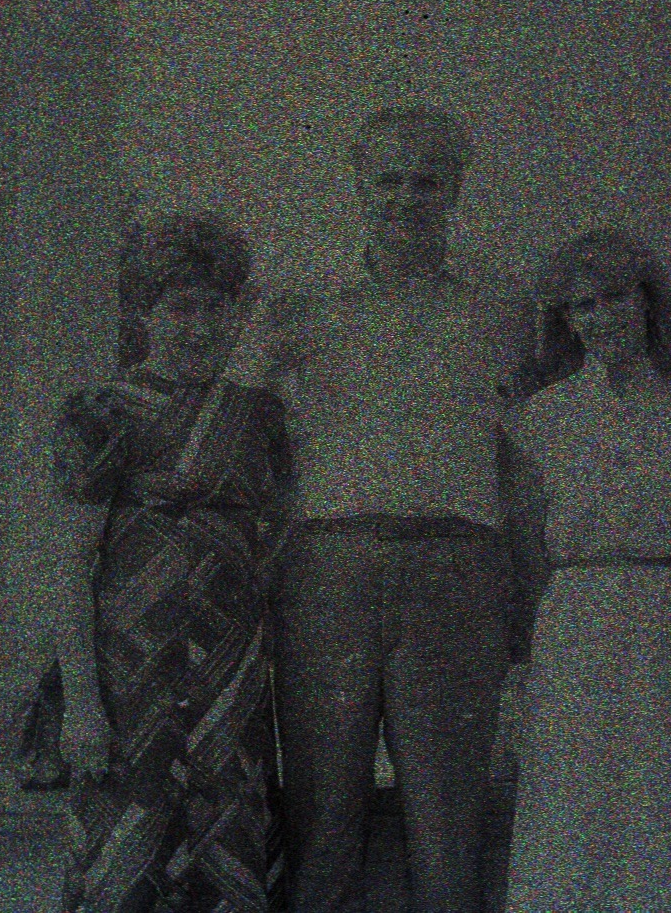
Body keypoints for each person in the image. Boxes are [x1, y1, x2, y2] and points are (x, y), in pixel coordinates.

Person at [226, 106, 542, 913]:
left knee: (447, 827)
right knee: (322, 819)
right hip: (328, 566)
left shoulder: (504, 305)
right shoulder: (299, 299)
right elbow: (243, 438)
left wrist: (526, 595)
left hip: (456, 567)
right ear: (359, 185)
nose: (406, 197)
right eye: (389, 179)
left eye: (426, 180)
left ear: (457, 189)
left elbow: (523, 462)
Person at [39, 210, 291, 913]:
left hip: (229, 681)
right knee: (128, 858)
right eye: (180, 307)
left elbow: (277, 544)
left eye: (217, 308)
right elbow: (70, 566)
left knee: (227, 849)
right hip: (131, 681)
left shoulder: (259, 415)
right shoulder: (99, 412)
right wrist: (83, 706)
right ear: (143, 312)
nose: (201, 326)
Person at [502, 226, 671, 911]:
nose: (599, 317)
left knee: (670, 808)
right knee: (575, 810)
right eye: (581, 306)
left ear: (647, 302)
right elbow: (525, 558)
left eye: (613, 297)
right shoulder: (541, 420)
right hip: (574, 627)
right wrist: (521, 671)